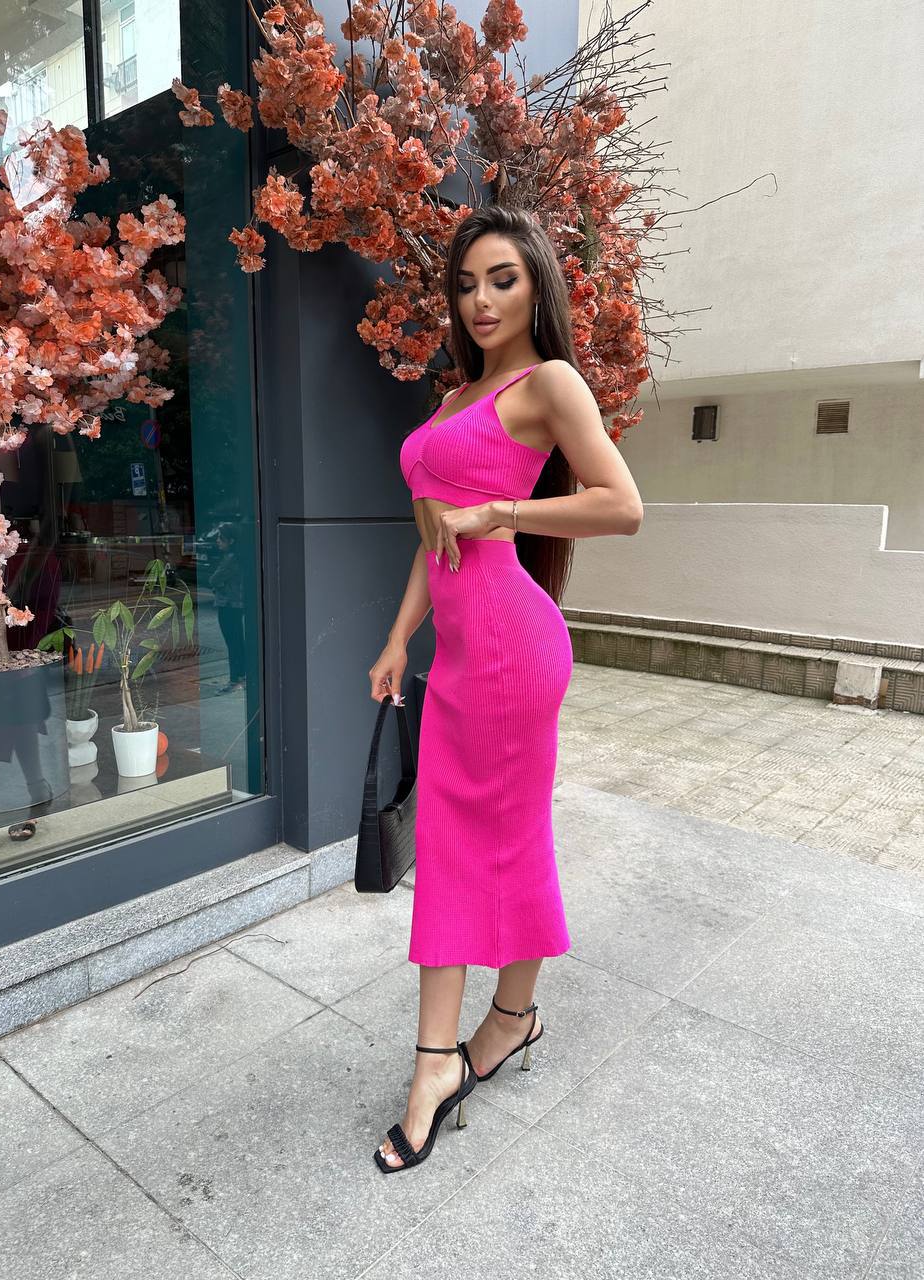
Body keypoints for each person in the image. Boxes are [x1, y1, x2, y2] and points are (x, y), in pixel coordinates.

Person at [367, 205, 644, 1172]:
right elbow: (429, 540)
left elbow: (623, 505)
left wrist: (502, 509)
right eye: (467, 283)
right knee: (448, 844)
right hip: (455, 656)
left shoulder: (548, 383)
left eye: (503, 280)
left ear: (536, 288)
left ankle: (499, 1024)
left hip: (517, 649)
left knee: (509, 838)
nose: (480, 300)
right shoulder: (451, 400)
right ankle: (443, 1056)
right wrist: (401, 636)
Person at [210, 523, 246, 693]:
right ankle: (241, 676)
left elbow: (214, 579)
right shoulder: (238, 556)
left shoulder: (230, 559)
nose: (218, 541)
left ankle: (235, 680)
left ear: (230, 540)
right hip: (235, 604)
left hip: (228, 604)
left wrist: (219, 585)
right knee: (237, 641)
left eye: (221, 538)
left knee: (232, 642)